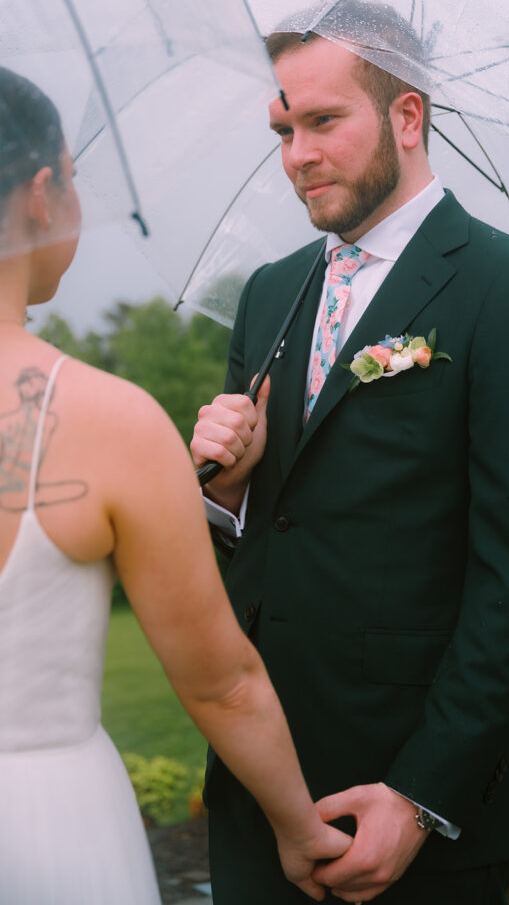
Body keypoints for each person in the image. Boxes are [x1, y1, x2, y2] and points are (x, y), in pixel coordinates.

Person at [191, 4, 509, 905]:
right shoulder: (269, 293)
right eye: (284, 128)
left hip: (410, 803)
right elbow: (268, 536)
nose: (296, 154)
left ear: (407, 118)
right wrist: (224, 488)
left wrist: (420, 797)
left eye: (324, 121)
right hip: (262, 786)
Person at [0, 67, 350, 904]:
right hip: (47, 823)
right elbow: (220, 681)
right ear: (42, 194)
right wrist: (302, 831)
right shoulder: (109, 421)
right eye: (76, 181)